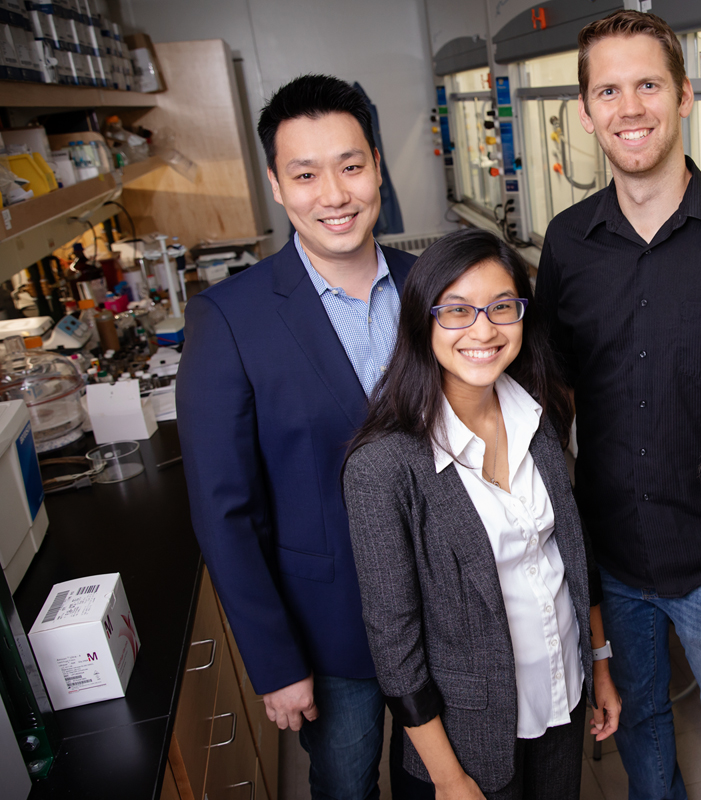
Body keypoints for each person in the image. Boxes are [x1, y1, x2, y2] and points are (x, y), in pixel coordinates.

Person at [535, 9, 701, 799]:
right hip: (612, 557)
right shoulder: (567, 243)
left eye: (647, 85)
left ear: (684, 96)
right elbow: (550, 390)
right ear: (585, 111)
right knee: (638, 726)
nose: (629, 108)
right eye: (609, 90)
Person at [177, 74, 432, 800]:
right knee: (346, 784)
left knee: (440, 778)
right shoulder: (230, 318)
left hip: (446, 613)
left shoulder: (436, 290)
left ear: (378, 165)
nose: (335, 194)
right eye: (306, 174)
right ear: (276, 185)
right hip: (330, 633)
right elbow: (224, 510)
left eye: (351, 166)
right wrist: (273, 659)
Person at [342, 228, 621, 799]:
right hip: (468, 740)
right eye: (458, 311)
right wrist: (448, 779)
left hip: (561, 698)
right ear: (423, 321)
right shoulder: (384, 466)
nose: (483, 330)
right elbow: (395, 648)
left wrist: (600, 663)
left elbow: (570, 553)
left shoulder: (536, 415)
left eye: (501, 307)